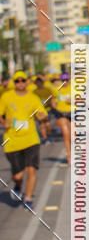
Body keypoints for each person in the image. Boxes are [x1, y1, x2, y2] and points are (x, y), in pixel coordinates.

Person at [0, 69, 48, 208]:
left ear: (27, 82)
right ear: (14, 83)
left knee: (31, 169)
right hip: (12, 141)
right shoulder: (7, 97)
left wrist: (42, 117)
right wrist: (4, 122)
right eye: (17, 81)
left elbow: (41, 113)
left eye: (22, 80)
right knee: (18, 175)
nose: (20, 83)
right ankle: (18, 185)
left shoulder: (33, 97)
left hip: (31, 139)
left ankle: (28, 199)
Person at [50, 72, 72, 164]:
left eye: (67, 80)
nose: (65, 82)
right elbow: (52, 101)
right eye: (63, 80)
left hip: (72, 112)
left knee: (72, 135)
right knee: (66, 135)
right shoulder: (56, 90)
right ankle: (69, 156)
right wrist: (55, 107)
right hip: (61, 113)